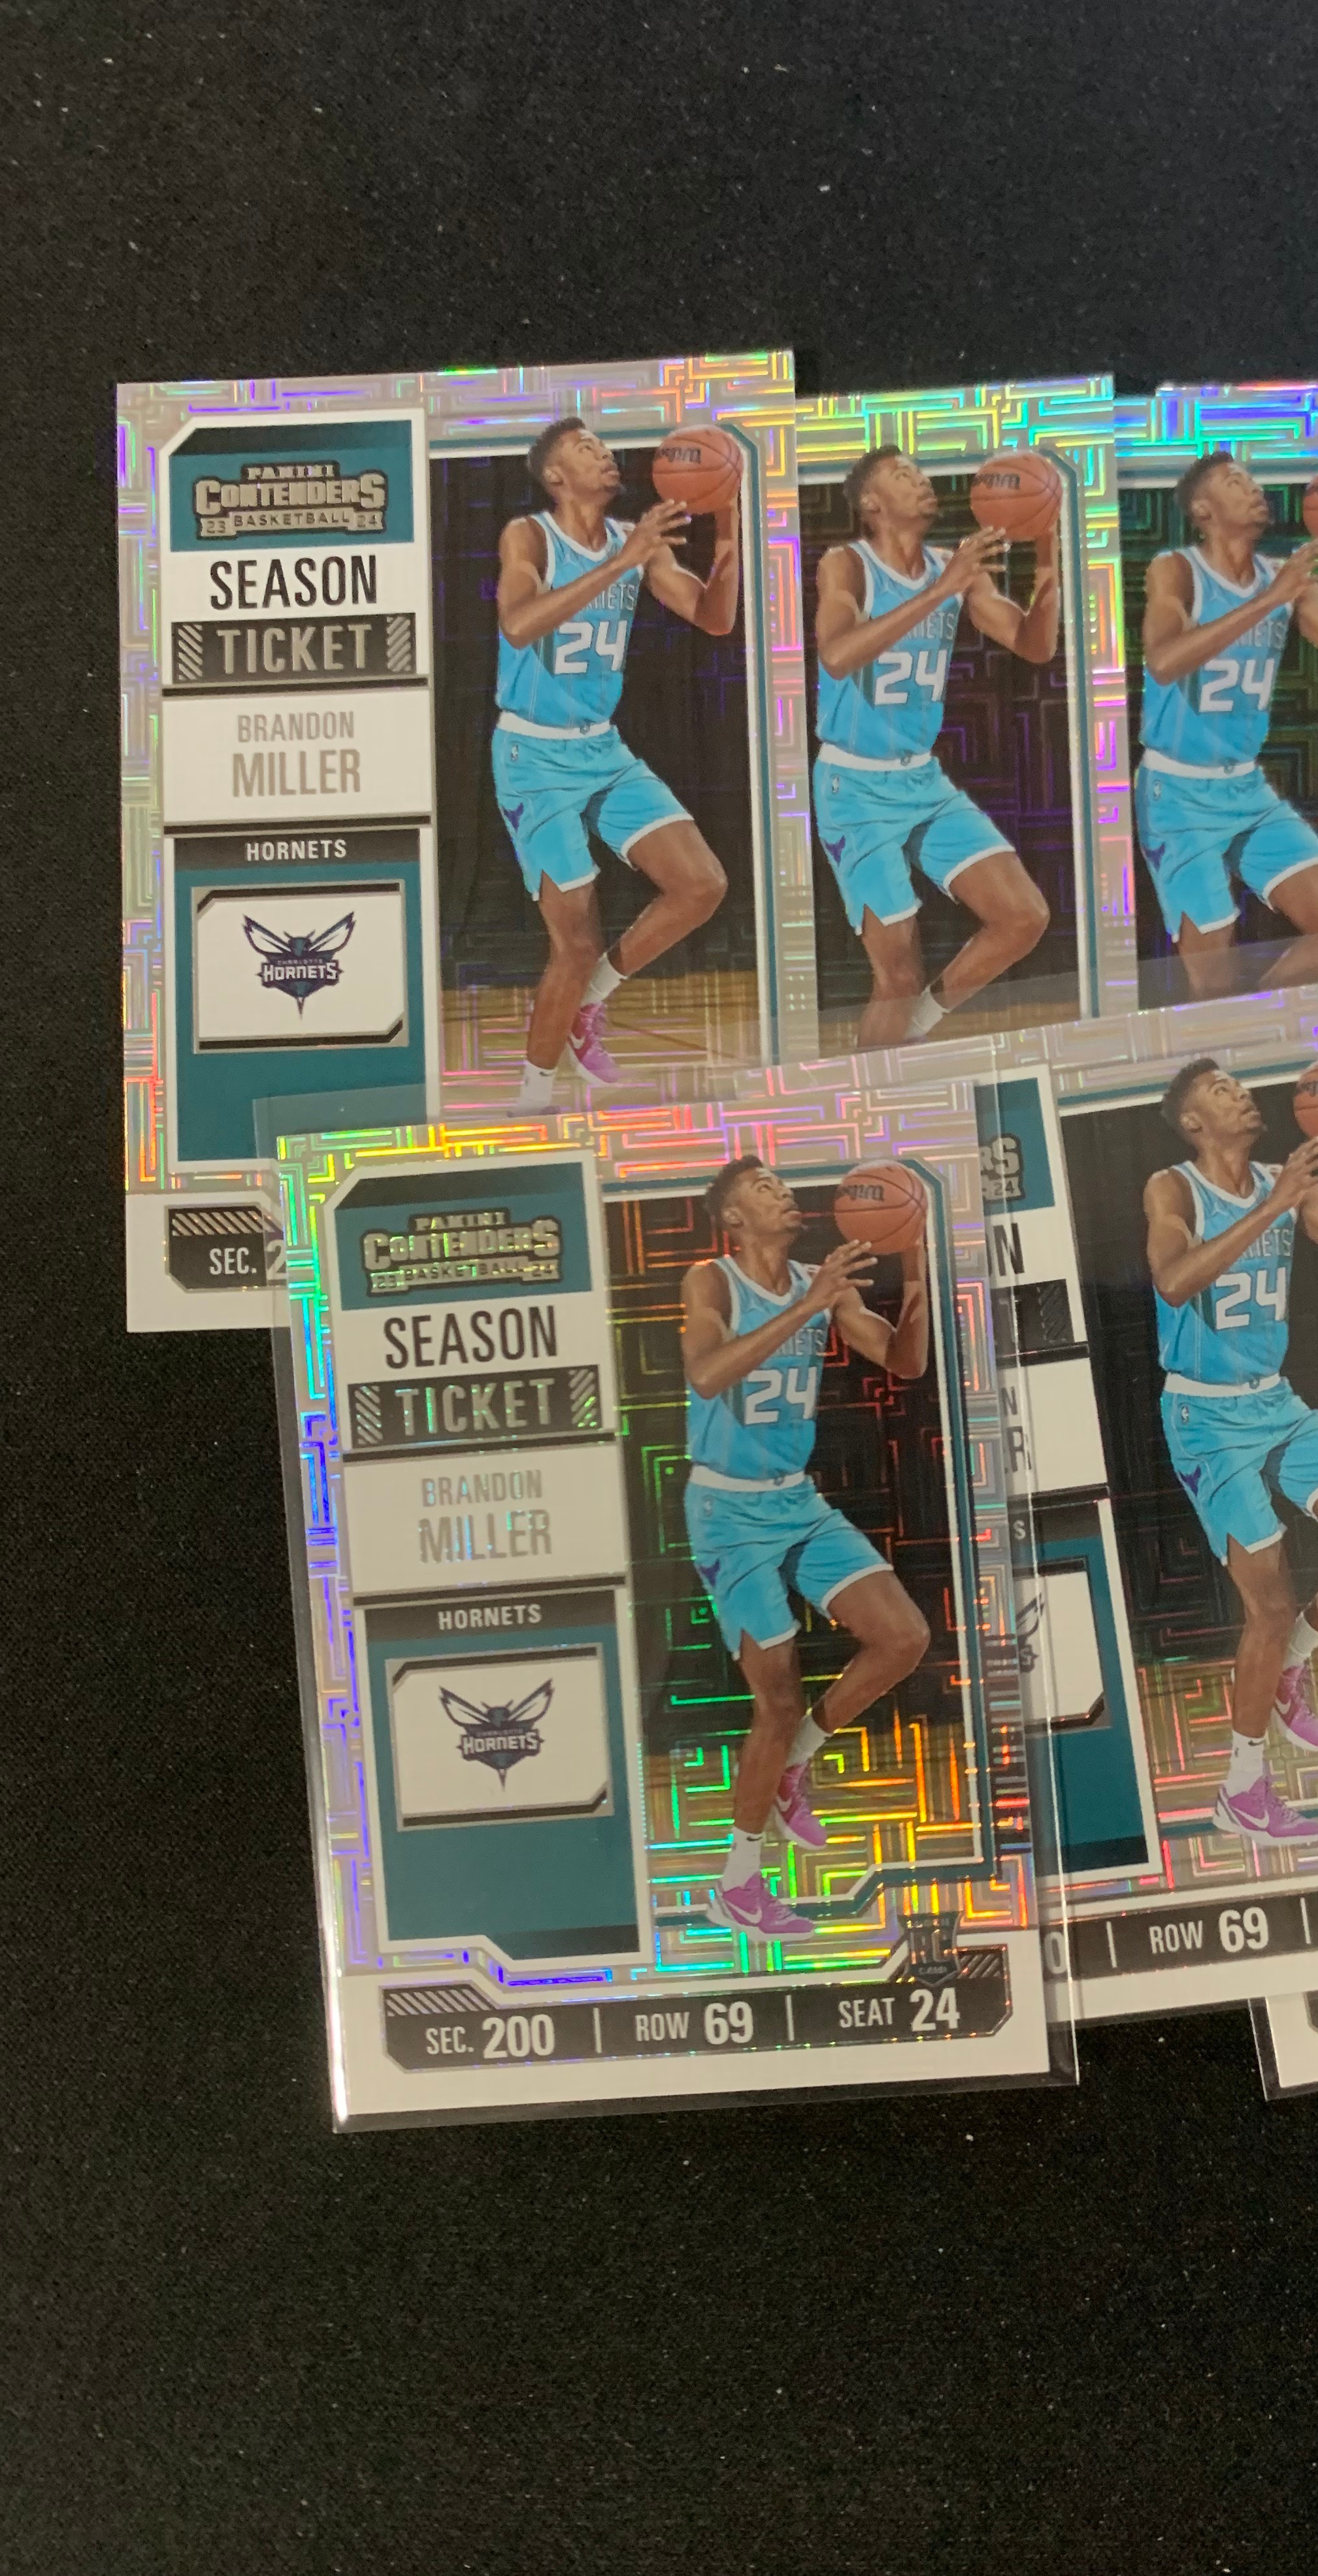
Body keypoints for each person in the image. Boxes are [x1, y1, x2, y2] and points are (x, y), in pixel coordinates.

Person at [1146, 1059, 1318, 1842]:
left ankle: (1294, 1662)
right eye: (1221, 1090)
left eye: (1239, 1084)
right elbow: (1174, 1281)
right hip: (1204, 1416)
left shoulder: (1282, 1181)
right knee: (1266, 1604)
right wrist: (1275, 1205)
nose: (1240, 1093)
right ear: (1194, 1122)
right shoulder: (1173, 1188)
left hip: (1273, 1400)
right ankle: (1242, 1791)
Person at [681, 1155, 932, 1939]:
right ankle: (737, 1885)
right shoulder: (712, 1282)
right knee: (777, 1699)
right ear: (733, 1218)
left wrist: (915, 1263)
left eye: (784, 1186)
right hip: (728, 1513)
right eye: (765, 1188)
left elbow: (905, 1361)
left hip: (794, 1500)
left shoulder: (818, 1281)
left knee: (904, 1637)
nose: (784, 1193)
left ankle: (796, 1763)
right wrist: (811, 1304)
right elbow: (707, 1374)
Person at [493, 417, 736, 1107]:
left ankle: (588, 1006)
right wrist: (623, 561)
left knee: (701, 885)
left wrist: (729, 523)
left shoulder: (636, 542)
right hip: (534, 754)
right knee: (573, 943)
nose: (603, 453)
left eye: (603, 445)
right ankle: (533, 1098)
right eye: (585, 448)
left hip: (601, 747)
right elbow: (518, 623)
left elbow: (715, 617)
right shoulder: (529, 535)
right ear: (555, 475)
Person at [812, 446, 1055, 1046]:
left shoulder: (955, 565)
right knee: (897, 978)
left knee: (1024, 916)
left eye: (920, 473)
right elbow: (837, 655)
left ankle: (915, 1029)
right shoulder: (847, 564)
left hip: (922, 780)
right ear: (872, 504)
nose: (921, 481)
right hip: (854, 786)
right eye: (904, 476)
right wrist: (940, 590)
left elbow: (1034, 644)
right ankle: (874, 1083)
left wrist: (1048, 551)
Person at [1136, 450, 1318, 1001]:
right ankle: (1224, 1034)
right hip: (1177, 791)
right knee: (1213, 977)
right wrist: (1272, 599)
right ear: (1203, 510)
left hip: (1246, 789)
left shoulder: (1285, 577)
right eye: (1235, 482)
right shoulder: (1176, 569)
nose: (1253, 489)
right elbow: (1164, 661)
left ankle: (1253, 1026)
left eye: (1252, 481)